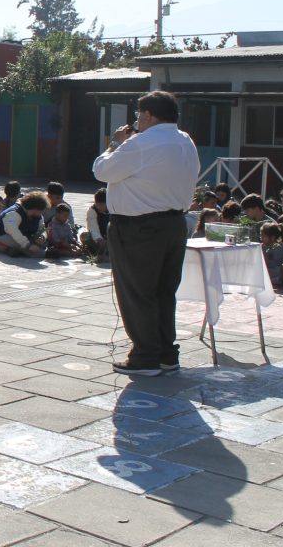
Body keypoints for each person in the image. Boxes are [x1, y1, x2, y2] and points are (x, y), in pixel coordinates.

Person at [92, 90, 200, 377]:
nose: (137, 120)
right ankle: (166, 354)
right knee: (164, 291)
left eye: (139, 115)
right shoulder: (185, 140)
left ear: (149, 115)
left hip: (139, 227)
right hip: (174, 224)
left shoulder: (140, 143)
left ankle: (146, 357)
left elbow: (102, 171)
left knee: (138, 292)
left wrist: (115, 143)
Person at [0, 191, 49, 259]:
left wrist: (42, 236)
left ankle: (15, 251)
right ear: (34, 208)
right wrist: (27, 245)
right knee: (25, 246)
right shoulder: (13, 213)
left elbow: (42, 229)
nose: (42, 212)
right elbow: (13, 231)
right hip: (2, 237)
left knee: (41, 244)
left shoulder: (38, 216)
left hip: (24, 238)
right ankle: (44, 254)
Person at [82, 188, 110, 261]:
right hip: (97, 238)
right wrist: (99, 239)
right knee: (85, 236)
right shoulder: (92, 211)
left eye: (101, 205)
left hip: (110, 237)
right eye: (96, 204)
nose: (98, 207)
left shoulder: (114, 209)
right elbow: (93, 228)